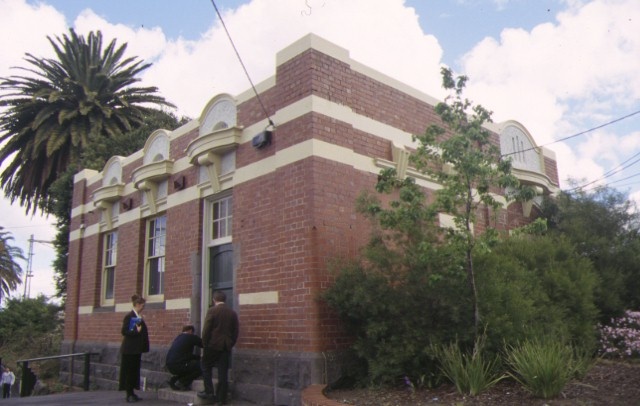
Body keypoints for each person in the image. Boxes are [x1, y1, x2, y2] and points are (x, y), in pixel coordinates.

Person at [197, 290, 239, 404]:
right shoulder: (232, 313)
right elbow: (235, 331)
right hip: (225, 346)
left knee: (205, 367)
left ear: (214, 300)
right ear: (224, 300)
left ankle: (209, 391)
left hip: (212, 345)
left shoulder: (212, 311)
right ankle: (221, 399)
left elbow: (206, 330)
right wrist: (231, 343)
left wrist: (205, 344)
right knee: (223, 373)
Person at [119, 294, 149, 403]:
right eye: (142, 305)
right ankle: (129, 394)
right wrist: (137, 331)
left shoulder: (137, 316)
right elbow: (124, 331)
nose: (143, 308)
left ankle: (132, 392)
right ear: (137, 304)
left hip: (136, 349)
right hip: (129, 350)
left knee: (134, 371)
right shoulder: (130, 316)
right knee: (129, 372)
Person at [165, 324, 203, 391]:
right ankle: (182, 382)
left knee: (189, 367)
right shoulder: (191, 337)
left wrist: (198, 357)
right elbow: (203, 344)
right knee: (202, 366)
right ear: (190, 331)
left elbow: (186, 355)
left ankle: (174, 379)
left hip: (170, 365)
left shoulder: (178, 338)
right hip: (180, 365)